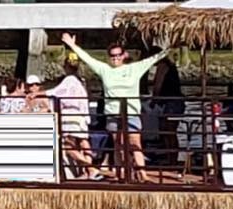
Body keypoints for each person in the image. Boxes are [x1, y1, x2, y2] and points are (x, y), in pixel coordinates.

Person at [61, 32, 170, 183]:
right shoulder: (105, 70)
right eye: (112, 55)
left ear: (124, 55)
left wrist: (173, 46)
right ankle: (121, 173)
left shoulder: (135, 68)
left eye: (118, 55)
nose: (115, 58)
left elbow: (154, 58)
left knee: (135, 143)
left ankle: (142, 174)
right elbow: (88, 59)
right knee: (118, 144)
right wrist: (72, 45)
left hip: (131, 113)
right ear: (109, 57)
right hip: (113, 114)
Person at [46, 58, 104, 180]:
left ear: (66, 66)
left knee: (68, 147)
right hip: (81, 116)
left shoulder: (69, 80)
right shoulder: (81, 81)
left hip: (70, 116)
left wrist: (40, 93)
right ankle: (89, 171)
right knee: (83, 142)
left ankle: (91, 168)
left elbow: (56, 92)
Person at [150, 52, 185, 165]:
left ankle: (172, 159)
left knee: (169, 131)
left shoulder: (163, 66)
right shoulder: (170, 66)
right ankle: (171, 158)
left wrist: (154, 99)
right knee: (168, 131)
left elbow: (158, 84)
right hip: (173, 101)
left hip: (171, 102)